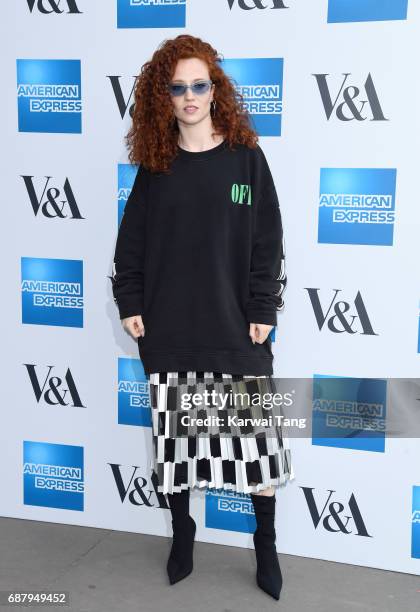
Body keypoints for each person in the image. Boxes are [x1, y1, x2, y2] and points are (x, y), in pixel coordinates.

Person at [111, 34, 294, 600]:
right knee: (176, 449)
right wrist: (131, 303)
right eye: (177, 87)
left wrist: (263, 307)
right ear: (162, 98)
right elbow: (131, 246)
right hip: (169, 331)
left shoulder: (246, 159)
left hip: (236, 328)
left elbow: (268, 241)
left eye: (199, 85)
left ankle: (266, 548)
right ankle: (182, 536)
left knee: (258, 450)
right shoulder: (155, 166)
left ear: (216, 91)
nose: (189, 96)